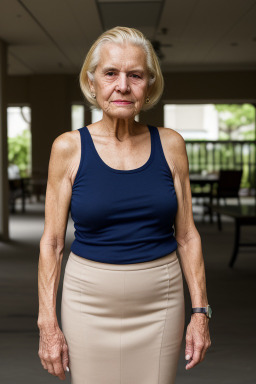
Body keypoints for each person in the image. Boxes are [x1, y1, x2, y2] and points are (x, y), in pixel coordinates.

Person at [37, 26, 211, 383]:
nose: (123, 85)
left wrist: (200, 313)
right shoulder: (68, 148)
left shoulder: (171, 145)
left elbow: (188, 236)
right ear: (93, 81)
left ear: (148, 85)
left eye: (135, 75)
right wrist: (47, 323)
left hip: (159, 299)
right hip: (88, 301)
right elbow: (52, 243)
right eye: (111, 73)